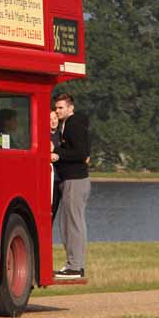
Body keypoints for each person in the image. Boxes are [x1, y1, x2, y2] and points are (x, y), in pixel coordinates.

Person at [51, 93, 90, 279]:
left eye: (61, 108)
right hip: (73, 180)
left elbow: (81, 153)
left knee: (73, 224)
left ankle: (75, 267)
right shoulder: (69, 124)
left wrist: (57, 152)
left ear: (70, 108)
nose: (57, 111)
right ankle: (73, 265)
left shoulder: (73, 124)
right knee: (69, 223)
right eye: (56, 108)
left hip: (75, 180)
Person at [49, 110, 63, 222]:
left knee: (58, 209)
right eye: (50, 119)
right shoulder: (43, 135)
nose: (53, 121)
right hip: (50, 179)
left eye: (55, 118)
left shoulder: (62, 135)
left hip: (61, 178)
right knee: (50, 210)